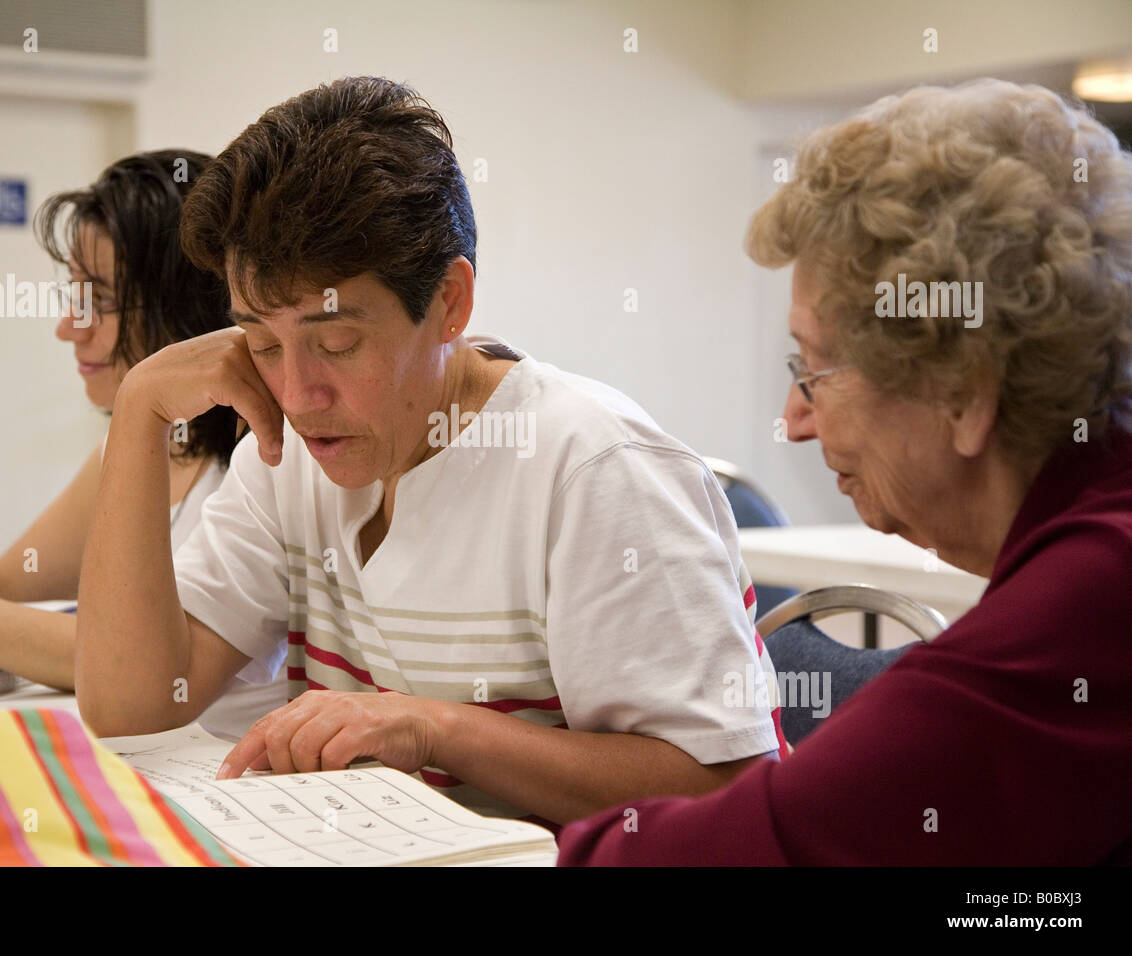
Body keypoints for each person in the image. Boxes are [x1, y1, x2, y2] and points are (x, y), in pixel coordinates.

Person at [74, 76, 787, 826]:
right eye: (260, 343)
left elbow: (725, 791)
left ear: (449, 303)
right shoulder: (286, 456)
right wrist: (139, 412)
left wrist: (434, 728)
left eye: (337, 343)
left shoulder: (592, 468)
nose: (296, 392)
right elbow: (131, 707)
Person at [558, 78, 1132, 864]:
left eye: (816, 367)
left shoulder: (1089, 604)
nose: (794, 419)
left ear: (962, 389)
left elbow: (737, 852)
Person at [0, 150, 287, 736]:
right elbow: (3, 584)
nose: (68, 327)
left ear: (186, 303)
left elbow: (130, 663)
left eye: (97, 300)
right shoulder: (141, 446)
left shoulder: (261, 455)